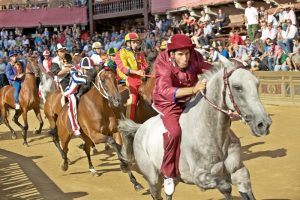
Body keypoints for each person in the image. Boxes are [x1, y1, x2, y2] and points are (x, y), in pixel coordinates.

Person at [152, 34, 212, 196]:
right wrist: (193, 89)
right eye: (180, 54)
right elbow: (165, 90)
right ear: (172, 54)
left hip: (191, 97)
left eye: (187, 53)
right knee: (175, 132)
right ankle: (168, 173)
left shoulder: (195, 56)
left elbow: (207, 68)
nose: (185, 58)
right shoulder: (162, 62)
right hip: (168, 102)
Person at [115, 32, 148, 120]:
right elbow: (123, 68)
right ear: (128, 43)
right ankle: (129, 122)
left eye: (137, 42)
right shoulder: (121, 52)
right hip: (129, 78)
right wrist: (137, 72)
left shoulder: (139, 53)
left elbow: (145, 64)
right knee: (132, 100)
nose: (136, 44)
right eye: (134, 42)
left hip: (141, 78)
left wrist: (143, 70)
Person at [63, 57, 91, 136]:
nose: (88, 71)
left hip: (80, 91)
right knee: (74, 101)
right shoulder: (73, 70)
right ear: (82, 67)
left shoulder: (83, 70)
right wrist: (87, 79)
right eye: (87, 70)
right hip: (71, 92)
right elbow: (76, 79)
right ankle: (75, 128)